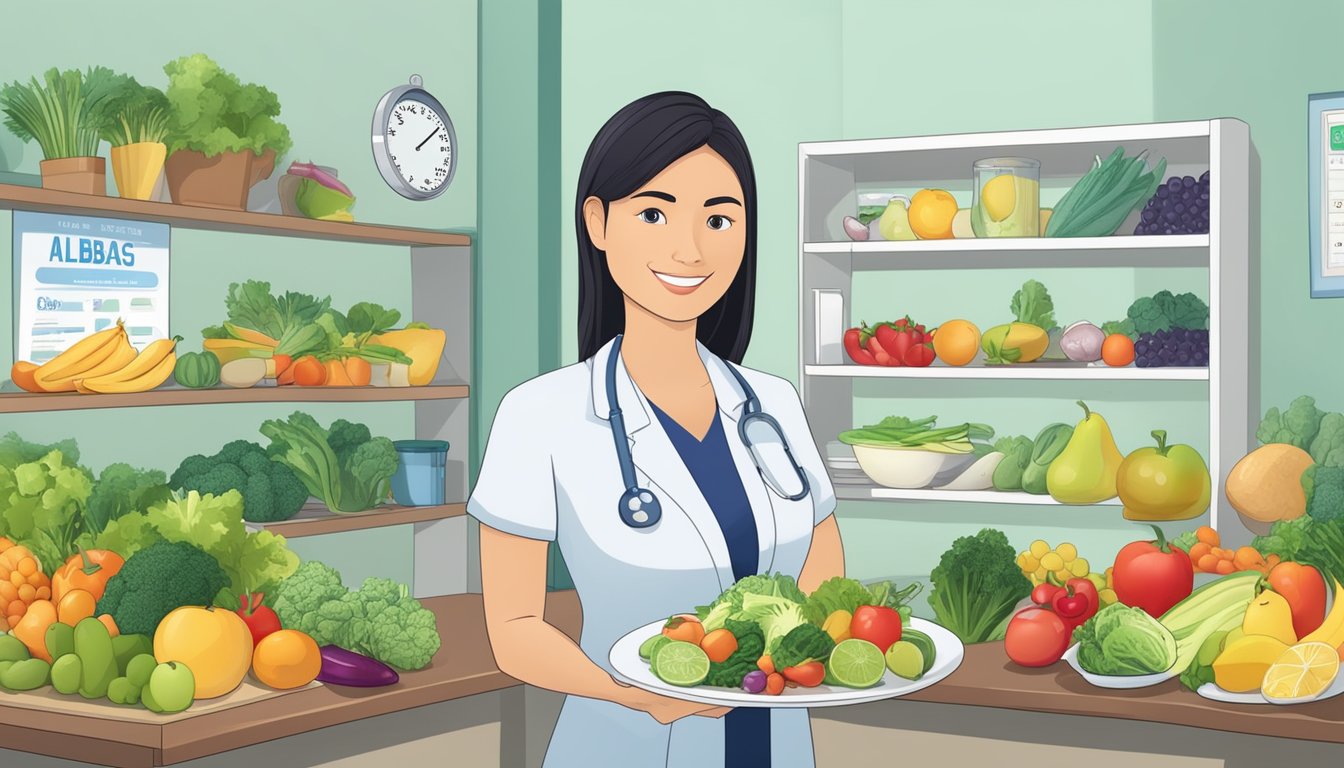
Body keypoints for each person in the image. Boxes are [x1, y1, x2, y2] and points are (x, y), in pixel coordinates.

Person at [469, 91, 843, 768]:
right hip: (622, 742)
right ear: (597, 222)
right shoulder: (538, 415)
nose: (691, 249)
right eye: (653, 213)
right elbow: (515, 631)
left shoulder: (774, 404)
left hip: (774, 741)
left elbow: (822, 576)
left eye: (720, 219)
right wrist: (635, 694)